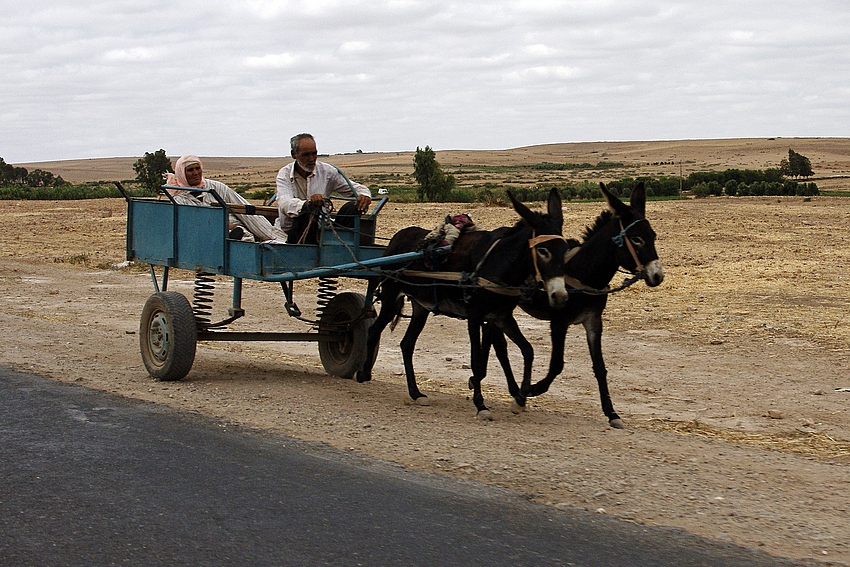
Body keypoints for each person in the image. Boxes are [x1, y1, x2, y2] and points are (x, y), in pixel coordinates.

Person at [275, 133, 372, 244]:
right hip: (292, 231)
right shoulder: (285, 174)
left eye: (314, 153)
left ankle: (343, 246)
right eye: (306, 155)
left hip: (323, 228)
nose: (311, 159)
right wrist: (308, 204)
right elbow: (285, 203)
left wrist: (364, 195)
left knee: (352, 207)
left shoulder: (327, 171)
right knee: (308, 213)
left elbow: (354, 188)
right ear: (294, 154)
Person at [166, 155, 286, 243]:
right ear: (182, 173)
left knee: (252, 236)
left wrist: (269, 233)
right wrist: (223, 226)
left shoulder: (215, 187)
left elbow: (241, 205)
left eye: (198, 168)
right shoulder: (178, 198)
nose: (196, 173)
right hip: (206, 236)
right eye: (190, 170)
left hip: (235, 226)